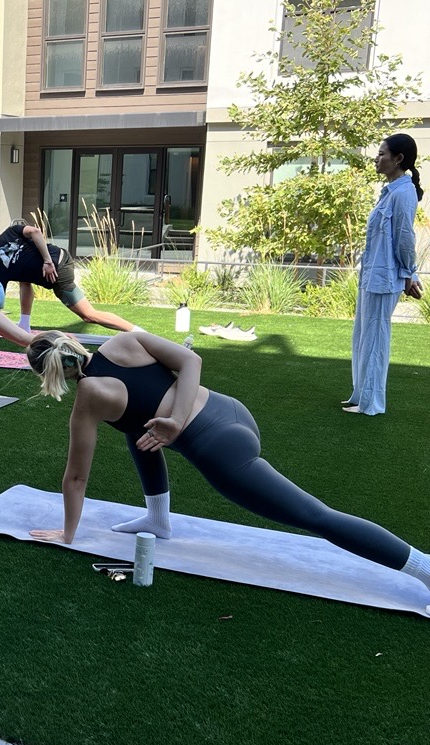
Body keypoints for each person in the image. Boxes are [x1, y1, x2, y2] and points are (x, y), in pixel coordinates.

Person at [23, 330, 430, 599]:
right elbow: (191, 363)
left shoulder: (89, 397)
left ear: (52, 377)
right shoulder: (122, 342)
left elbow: (76, 477)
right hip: (233, 413)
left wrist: (67, 533)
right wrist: (174, 419)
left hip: (221, 450)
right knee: (135, 427)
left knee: (315, 516)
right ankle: (157, 519)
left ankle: (424, 567)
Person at [345, 133, 424, 415]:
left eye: (381, 154)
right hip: (372, 277)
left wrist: (409, 274)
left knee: (376, 340)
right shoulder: (389, 191)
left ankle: (372, 404)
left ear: (398, 159)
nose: (376, 159)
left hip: (385, 279)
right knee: (363, 338)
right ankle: (360, 395)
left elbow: (404, 237)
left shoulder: (403, 194)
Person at [0, 222, 138, 333]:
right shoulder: (8, 233)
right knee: (24, 280)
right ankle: (24, 323)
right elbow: (35, 231)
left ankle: (138, 333)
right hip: (63, 255)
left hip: (58, 273)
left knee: (88, 315)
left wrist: (48, 262)